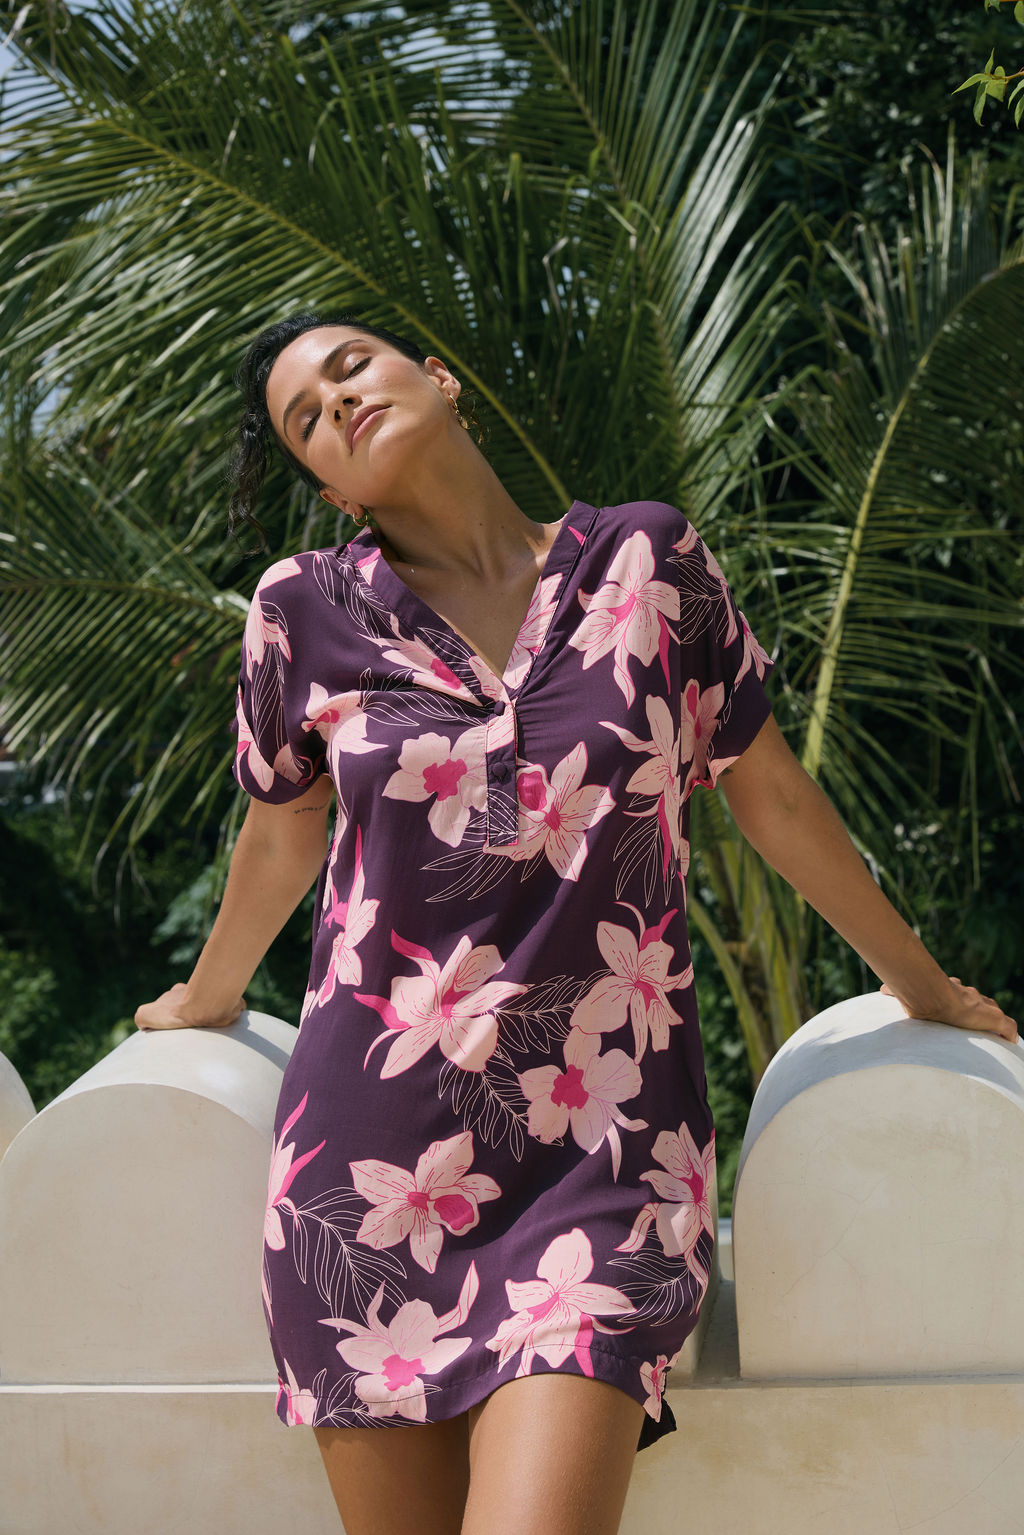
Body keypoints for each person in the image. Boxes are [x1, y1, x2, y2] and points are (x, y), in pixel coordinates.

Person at [136, 313, 1018, 1535]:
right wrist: (205, 995)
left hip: (602, 1161)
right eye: (304, 419)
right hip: (368, 1172)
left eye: (350, 367)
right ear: (328, 486)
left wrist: (921, 983)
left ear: (437, 376)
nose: (336, 402)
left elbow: (769, 793)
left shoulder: (646, 560)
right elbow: (281, 837)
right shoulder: (305, 608)